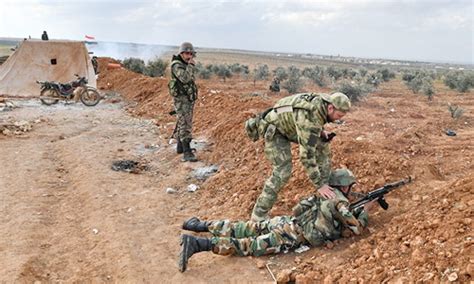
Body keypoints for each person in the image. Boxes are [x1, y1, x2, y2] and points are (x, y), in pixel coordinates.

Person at [178, 169, 376, 272]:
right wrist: (365, 212)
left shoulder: (324, 193)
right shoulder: (340, 203)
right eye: (350, 186)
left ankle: (198, 225)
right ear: (344, 186)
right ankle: (198, 244)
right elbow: (356, 229)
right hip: (293, 235)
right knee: (250, 245)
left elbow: (298, 209)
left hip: (287, 222)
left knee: (246, 228)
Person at [244, 92, 351, 222]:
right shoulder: (310, 119)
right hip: (275, 130)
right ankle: (259, 214)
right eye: (338, 115)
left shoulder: (323, 103)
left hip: (290, 124)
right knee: (283, 171)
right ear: (330, 108)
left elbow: (310, 119)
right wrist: (319, 184)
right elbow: (306, 156)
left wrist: (320, 132)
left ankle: (329, 193)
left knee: (323, 144)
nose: (337, 119)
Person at [168, 42, 198, 162]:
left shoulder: (184, 64)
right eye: (187, 53)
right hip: (182, 99)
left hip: (187, 98)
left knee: (183, 121)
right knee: (185, 123)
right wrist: (190, 66)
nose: (189, 56)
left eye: (191, 53)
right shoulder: (177, 65)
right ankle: (187, 152)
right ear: (181, 53)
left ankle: (180, 147)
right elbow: (184, 79)